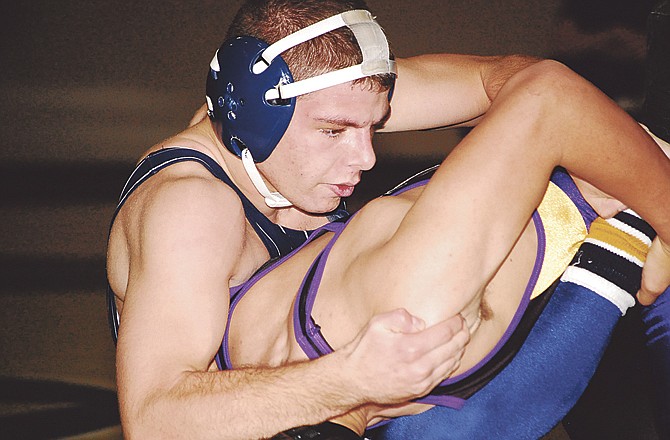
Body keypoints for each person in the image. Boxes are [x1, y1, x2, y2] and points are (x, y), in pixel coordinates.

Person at [105, 0, 669, 438]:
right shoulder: (189, 208)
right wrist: (349, 378)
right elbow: (153, 420)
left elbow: (513, 79)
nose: (365, 157)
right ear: (248, 116)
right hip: (332, 391)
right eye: (334, 132)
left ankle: (630, 231)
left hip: (394, 386)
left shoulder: (302, 110)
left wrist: (629, 152)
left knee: (610, 162)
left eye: (373, 126)